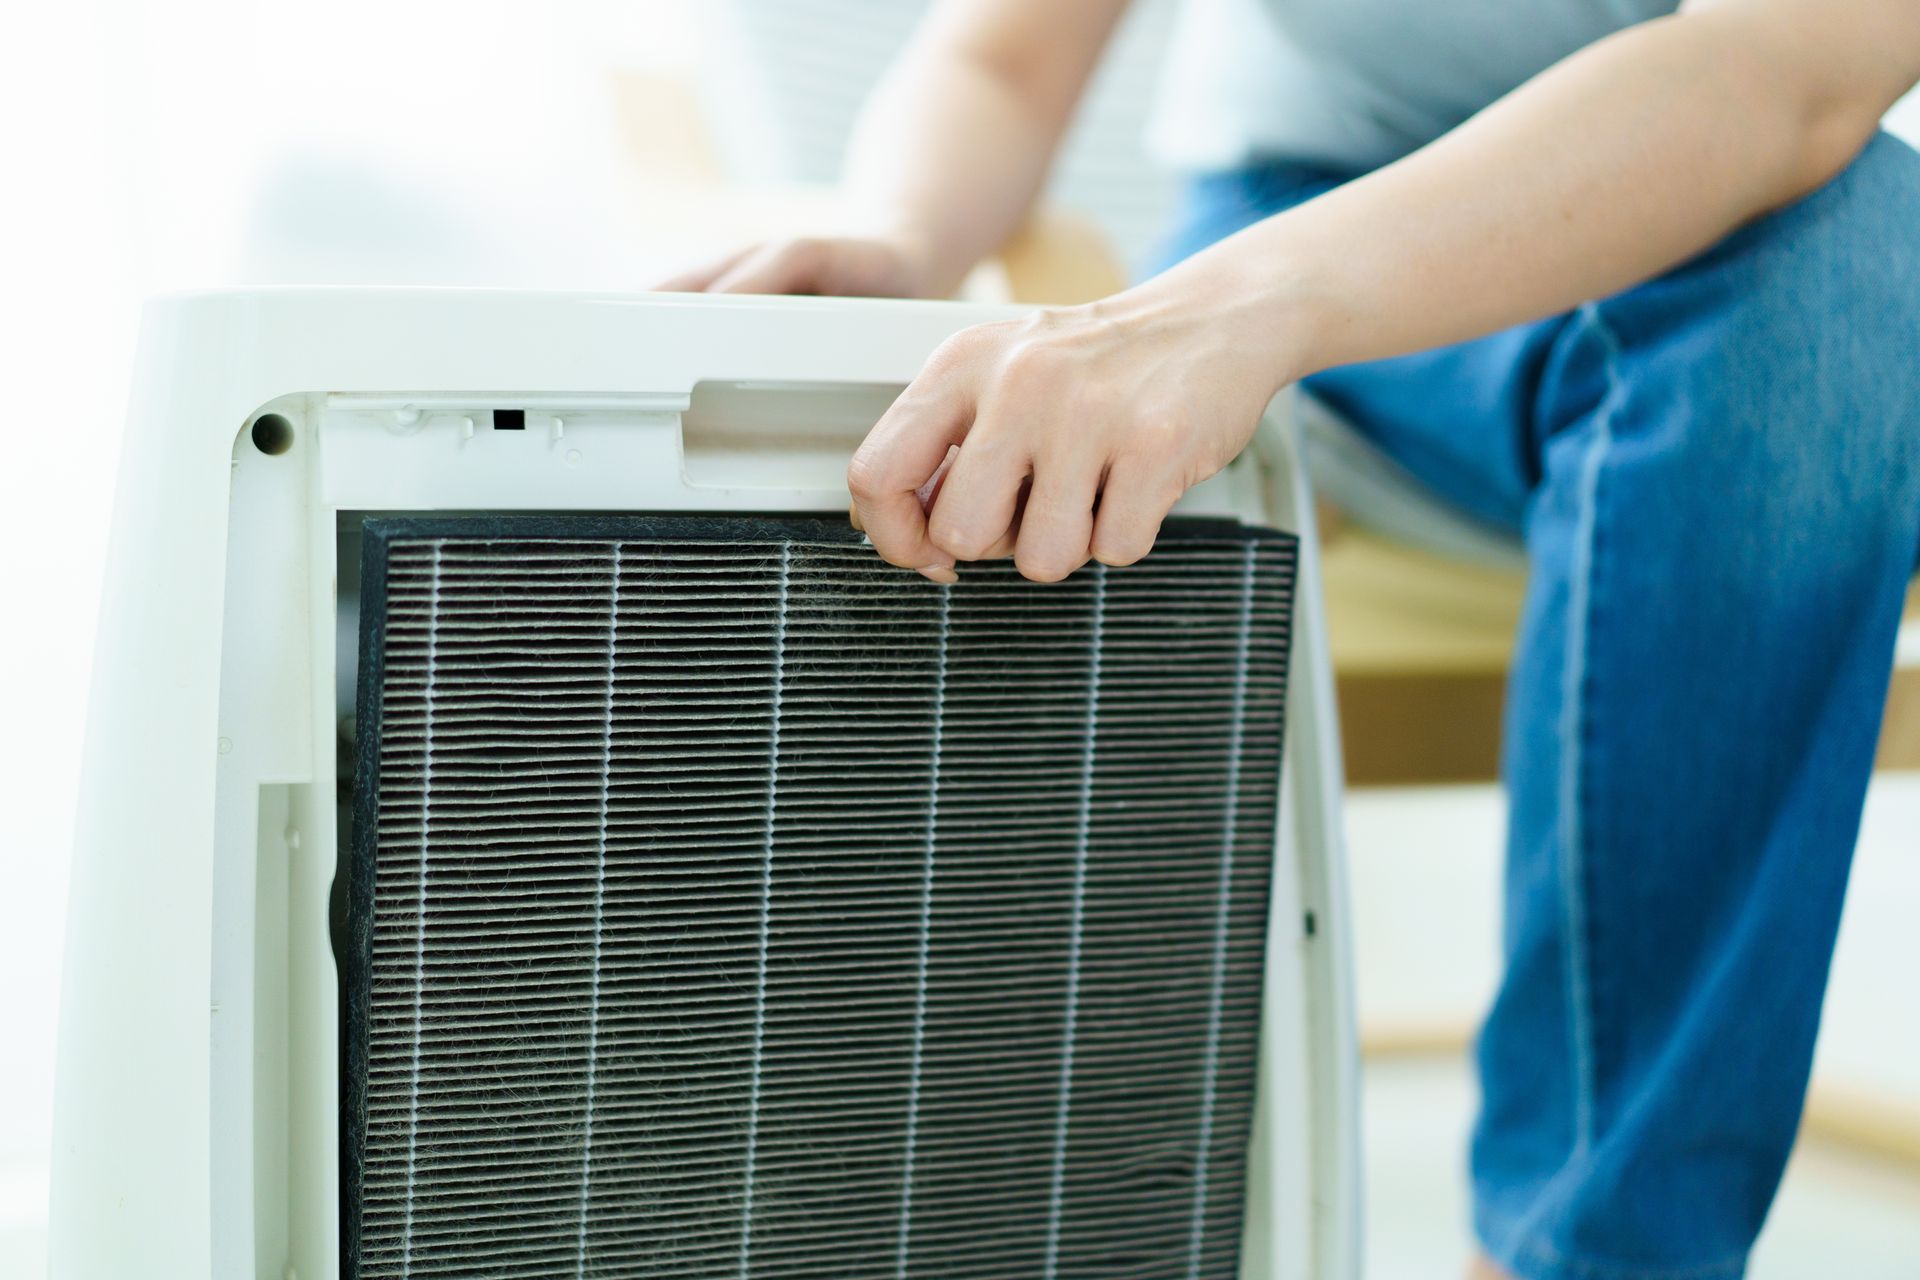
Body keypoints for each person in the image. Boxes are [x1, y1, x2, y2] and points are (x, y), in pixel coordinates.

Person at [664, 1, 1920, 1276]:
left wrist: (1235, 312)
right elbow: (1007, 53)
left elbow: (1791, 75)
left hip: (1756, 295)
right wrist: (903, 230)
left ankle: (1593, 1253)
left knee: (1858, 254)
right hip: (1317, 242)